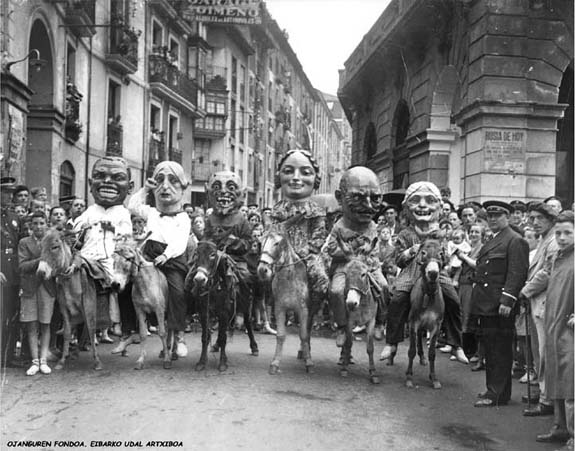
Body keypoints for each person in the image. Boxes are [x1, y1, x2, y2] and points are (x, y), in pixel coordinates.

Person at [380, 181, 468, 364]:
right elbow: (398, 260)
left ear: (438, 207)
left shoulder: (441, 234)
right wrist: (411, 251)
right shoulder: (405, 234)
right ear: (406, 208)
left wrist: (436, 261)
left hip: (436, 273)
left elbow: (446, 257)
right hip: (411, 273)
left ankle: (456, 344)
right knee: (397, 299)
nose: (422, 205)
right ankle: (392, 342)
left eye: (429, 201)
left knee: (453, 299)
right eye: (416, 201)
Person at [129, 161, 190, 358]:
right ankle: (130, 328)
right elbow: (133, 205)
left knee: (178, 292)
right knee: (129, 285)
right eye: (159, 180)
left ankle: (180, 336)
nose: (165, 186)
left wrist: (165, 255)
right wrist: (145, 189)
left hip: (171, 260)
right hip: (148, 258)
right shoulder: (152, 212)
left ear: (182, 188)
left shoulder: (183, 218)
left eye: (173, 181)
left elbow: (180, 242)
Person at [471, 200, 529, 407]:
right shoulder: (495, 239)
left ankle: (495, 393)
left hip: (499, 305)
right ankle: (497, 391)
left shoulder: (514, 240)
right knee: (492, 347)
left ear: (507, 217)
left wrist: (508, 299)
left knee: (499, 350)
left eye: (498, 216)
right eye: (490, 216)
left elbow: (517, 273)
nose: (493, 219)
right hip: (487, 303)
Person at [72, 157, 134, 340]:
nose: (107, 181)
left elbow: (125, 237)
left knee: (116, 284)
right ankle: (73, 317)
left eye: (117, 177)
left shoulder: (123, 213)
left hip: (110, 258)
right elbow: (76, 229)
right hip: (88, 255)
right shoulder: (90, 211)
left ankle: (116, 323)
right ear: (91, 183)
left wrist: (114, 231)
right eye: (100, 176)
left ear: (129, 187)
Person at [326, 166, 387, 346]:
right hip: (343, 268)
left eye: (375, 198)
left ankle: (381, 321)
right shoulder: (339, 226)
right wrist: (346, 254)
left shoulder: (372, 226)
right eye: (358, 198)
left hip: (368, 267)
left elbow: (374, 250)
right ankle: (342, 326)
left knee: (383, 286)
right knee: (336, 291)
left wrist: (366, 257)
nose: (368, 205)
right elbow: (331, 248)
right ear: (340, 198)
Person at [270, 149, 329, 325]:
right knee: (262, 274)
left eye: (305, 172)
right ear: (280, 176)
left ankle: (314, 310)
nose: (296, 178)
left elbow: (319, 233)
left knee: (321, 279)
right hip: (281, 253)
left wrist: (309, 250)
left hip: (308, 254)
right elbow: (272, 232)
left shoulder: (316, 211)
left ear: (315, 179)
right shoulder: (278, 210)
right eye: (289, 171)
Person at [535, 211, 574, 449]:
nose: (561, 237)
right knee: (555, 377)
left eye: (568, 233)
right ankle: (560, 427)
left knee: (571, 383)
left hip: (569, 329)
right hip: (553, 325)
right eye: (558, 233)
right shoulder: (558, 256)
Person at [520, 202, 559, 416]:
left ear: (551, 220)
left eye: (539, 218)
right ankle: (542, 392)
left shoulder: (553, 241)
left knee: (544, 352)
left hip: (545, 302)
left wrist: (525, 291)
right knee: (538, 351)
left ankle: (547, 400)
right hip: (538, 302)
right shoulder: (545, 239)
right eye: (532, 218)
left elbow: (545, 273)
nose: (534, 222)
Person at [18, 212, 56, 375]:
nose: (39, 226)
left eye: (42, 223)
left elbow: (58, 262)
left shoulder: (53, 241)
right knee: (31, 325)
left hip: (47, 287)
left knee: (45, 324)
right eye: (35, 223)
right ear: (30, 226)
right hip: (30, 287)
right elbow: (22, 266)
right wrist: (39, 260)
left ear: (46, 224)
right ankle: (34, 361)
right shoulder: (24, 242)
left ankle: (43, 360)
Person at [456, 223, 485, 367]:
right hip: (462, 284)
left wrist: (463, 257)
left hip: (472, 285)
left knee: (470, 315)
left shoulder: (482, 248)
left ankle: (470, 350)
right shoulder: (466, 247)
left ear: (482, 235)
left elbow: (478, 265)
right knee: (461, 314)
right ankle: (461, 348)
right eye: (472, 231)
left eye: (477, 232)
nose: (473, 234)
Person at [0, 177, 22, 368]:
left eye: (10, 193)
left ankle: (8, 357)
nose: (9, 196)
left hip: (13, 271)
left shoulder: (14, 217)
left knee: (12, 315)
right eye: (5, 192)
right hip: (1, 270)